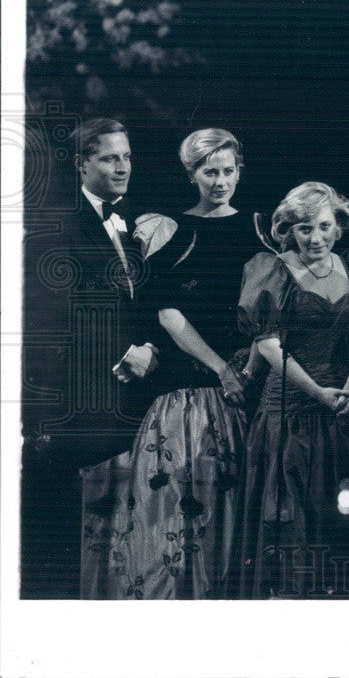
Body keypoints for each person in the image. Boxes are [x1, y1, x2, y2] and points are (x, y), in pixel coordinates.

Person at [80, 128, 263, 599]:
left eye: (228, 171)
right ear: (192, 175)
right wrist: (222, 369)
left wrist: (248, 370)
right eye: (209, 172)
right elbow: (167, 314)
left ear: (240, 170)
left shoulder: (263, 229)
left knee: (235, 529)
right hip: (188, 400)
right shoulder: (168, 231)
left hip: (251, 396)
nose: (220, 181)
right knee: (171, 529)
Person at [22, 118, 163, 598]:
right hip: (75, 415)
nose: (122, 166)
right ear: (82, 164)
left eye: (126, 156)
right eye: (109, 157)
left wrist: (148, 349)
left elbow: (141, 310)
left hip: (123, 412)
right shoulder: (56, 226)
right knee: (62, 556)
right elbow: (47, 324)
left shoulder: (136, 224)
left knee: (117, 556)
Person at [237, 182, 349, 597]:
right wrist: (319, 392)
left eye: (323, 226)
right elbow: (268, 344)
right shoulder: (272, 268)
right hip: (287, 411)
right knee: (289, 516)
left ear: (338, 226)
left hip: (336, 410)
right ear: (289, 229)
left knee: (336, 515)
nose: (315, 238)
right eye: (304, 228)